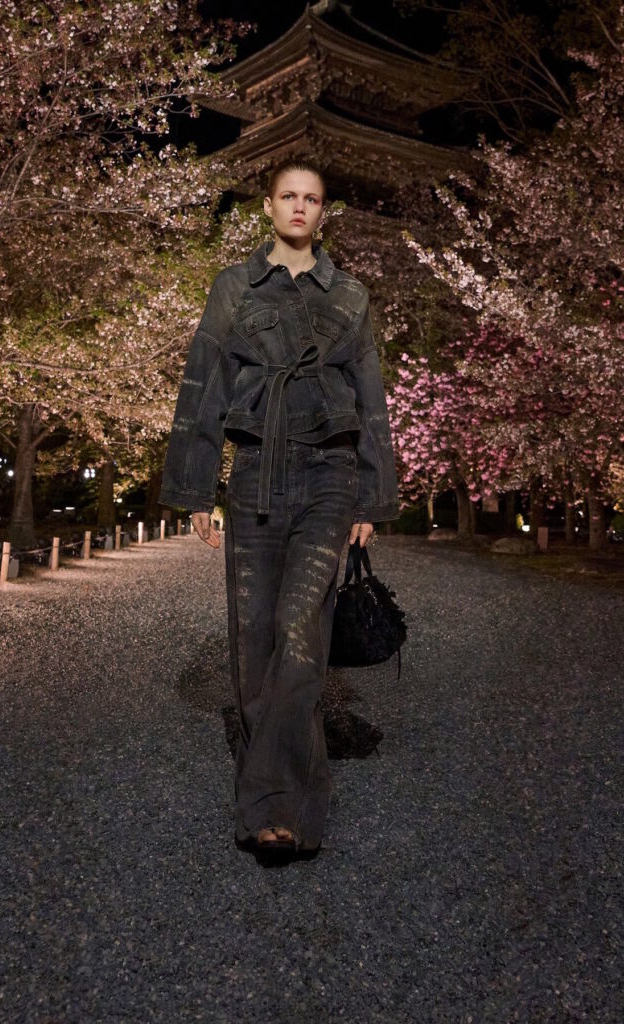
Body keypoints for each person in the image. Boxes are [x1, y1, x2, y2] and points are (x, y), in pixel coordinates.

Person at [159, 158, 400, 856]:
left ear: (323, 212)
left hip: (329, 475)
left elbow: (371, 397)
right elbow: (204, 382)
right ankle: (274, 792)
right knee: (254, 636)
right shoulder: (233, 287)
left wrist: (372, 495)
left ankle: (281, 807)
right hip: (255, 472)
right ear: (267, 207)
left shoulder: (350, 295)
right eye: (288, 196)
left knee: (300, 628)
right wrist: (194, 487)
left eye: (312, 198)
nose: (299, 207)